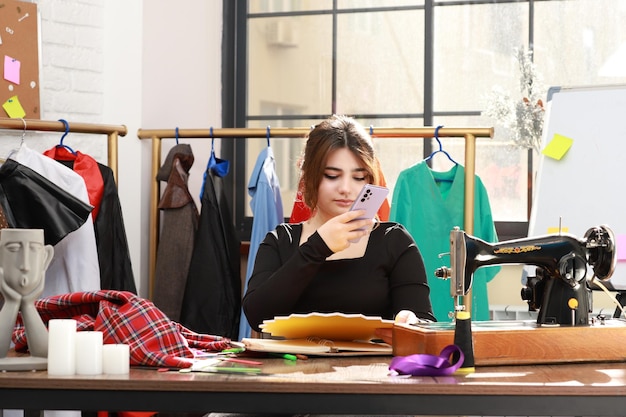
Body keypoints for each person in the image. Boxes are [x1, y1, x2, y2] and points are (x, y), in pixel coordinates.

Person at [242, 115, 436, 340]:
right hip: (293, 372)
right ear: (309, 175)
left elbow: (424, 322)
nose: (346, 188)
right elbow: (257, 316)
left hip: (373, 373)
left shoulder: (394, 241)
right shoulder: (280, 241)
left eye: (358, 177)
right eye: (332, 176)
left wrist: (409, 321)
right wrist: (319, 246)